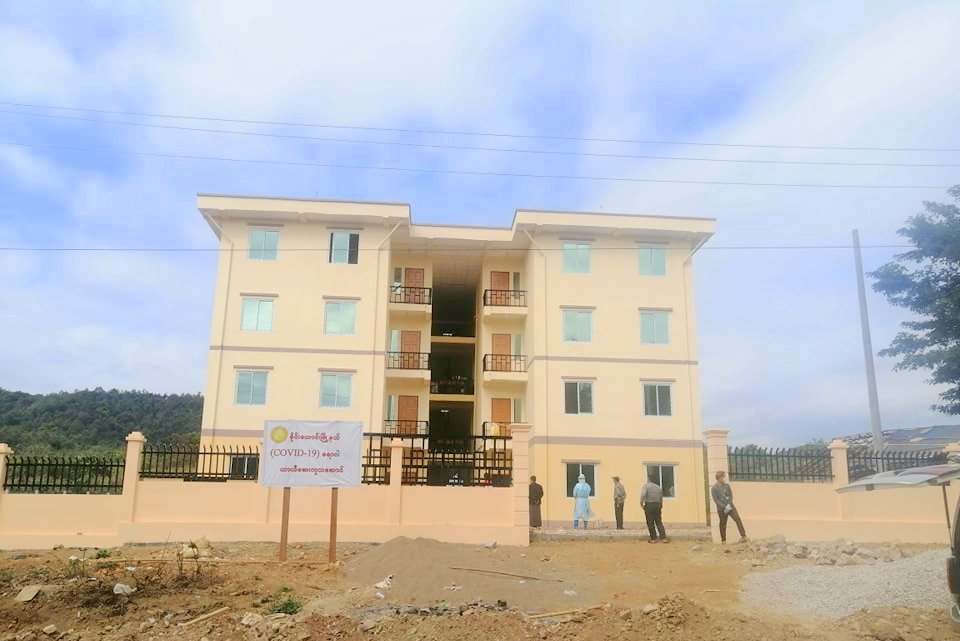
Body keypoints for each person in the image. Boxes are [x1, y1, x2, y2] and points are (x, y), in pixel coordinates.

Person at [711, 470, 747, 544]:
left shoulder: (727, 486)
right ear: (719, 478)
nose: (724, 478)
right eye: (723, 477)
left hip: (730, 506)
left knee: (737, 519)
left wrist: (729, 505)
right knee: (723, 524)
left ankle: (744, 536)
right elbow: (716, 500)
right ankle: (723, 540)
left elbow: (730, 496)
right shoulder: (714, 488)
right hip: (722, 509)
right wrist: (724, 507)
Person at [640, 473, 668, 543]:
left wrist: (641, 503)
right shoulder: (658, 487)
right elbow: (661, 498)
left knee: (650, 522)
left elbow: (643, 495)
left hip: (649, 505)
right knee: (659, 522)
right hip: (657, 505)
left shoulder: (646, 486)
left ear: (649, 479)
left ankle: (653, 538)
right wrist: (660, 505)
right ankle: (663, 538)